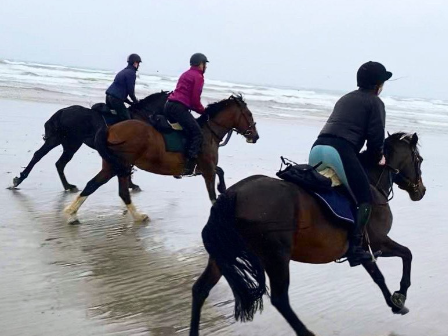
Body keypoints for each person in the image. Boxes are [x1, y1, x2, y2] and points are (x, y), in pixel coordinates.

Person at [309, 61, 392, 267]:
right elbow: (375, 140)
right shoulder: (375, 102)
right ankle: (355, 248)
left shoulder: (345, 98)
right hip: (339, 151)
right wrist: (378, 158)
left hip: (317, 148)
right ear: (377, 85)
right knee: (365, 197)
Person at [164, 53, 209, 175]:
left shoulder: (186, 73)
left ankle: (175, 158)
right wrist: (204, 111)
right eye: (205, 64)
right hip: (179, 108)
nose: (206, 67)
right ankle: (188, 166)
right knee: (197, 133)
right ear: (201, 64)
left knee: (183, 131)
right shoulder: (198, 77)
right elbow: (195, 100)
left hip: (168, 105)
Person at [105, 54, 142, 121]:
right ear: (135, 63)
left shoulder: (123, 71)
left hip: (108, 97)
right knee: (127, 119)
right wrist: (136, 102)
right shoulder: (131, 73)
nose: (139, 65)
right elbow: (131, 92)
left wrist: (130, 103)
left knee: (116, 116)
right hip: (115, 99)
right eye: (138, 63)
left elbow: (121, 93)